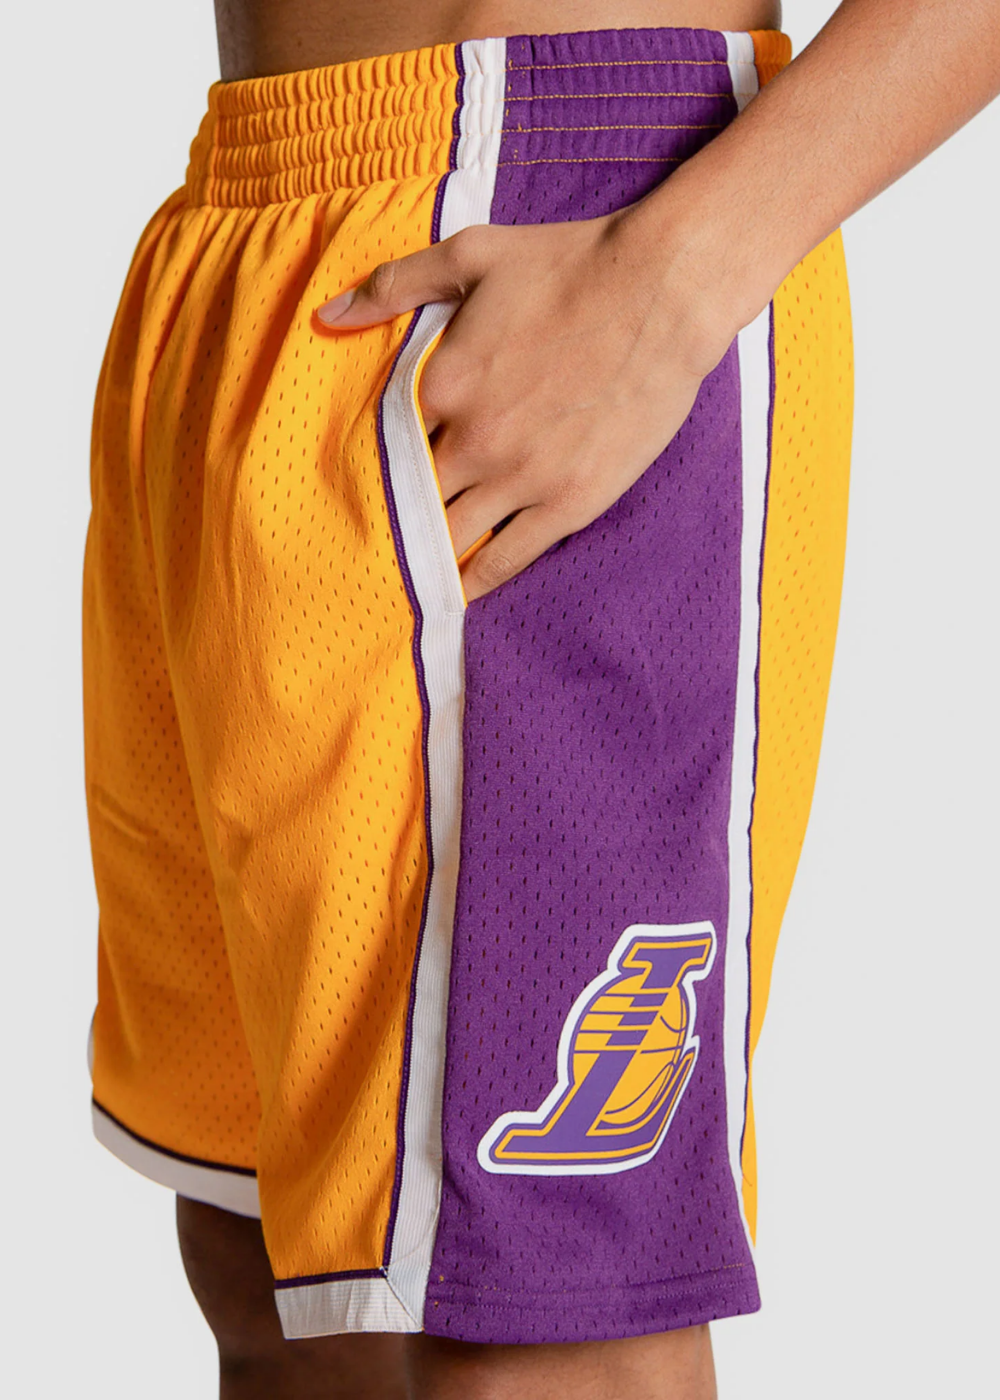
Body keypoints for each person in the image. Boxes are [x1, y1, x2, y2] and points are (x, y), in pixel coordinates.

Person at [81, 1, 999, 1396]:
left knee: (545, 1328)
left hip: (550, 205)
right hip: (244, 232)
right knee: (286, 1288)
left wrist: (674, 276)